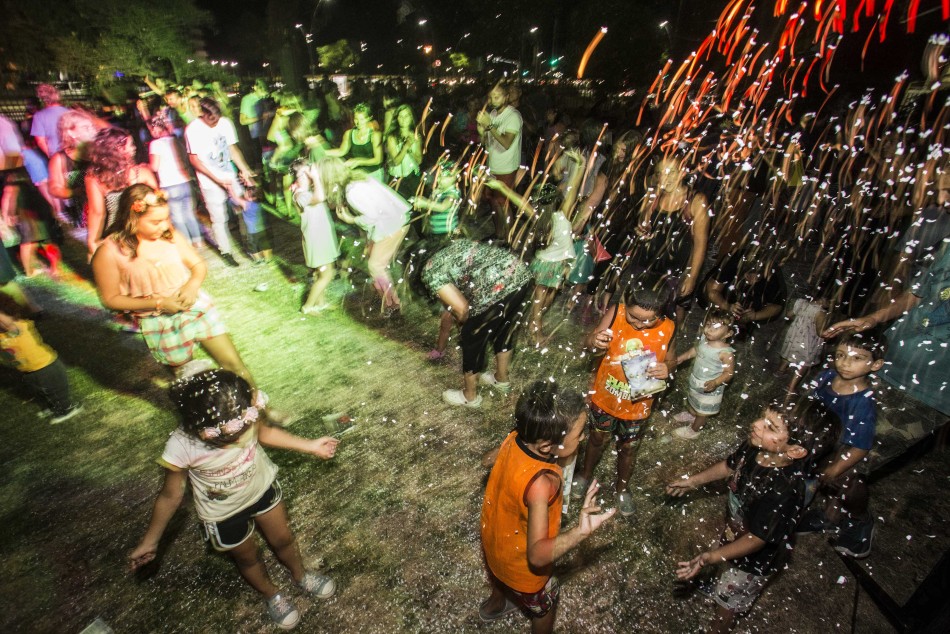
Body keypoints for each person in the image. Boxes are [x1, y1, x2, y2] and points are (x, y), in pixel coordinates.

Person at [129, 369, 338, 630]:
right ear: (197, 428)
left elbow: (264, 433)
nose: (241, 438)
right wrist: (150, 541)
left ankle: (301, 574)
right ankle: (271, 593)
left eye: (244, 426)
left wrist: (309, 445)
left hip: (261, 490)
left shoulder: (243, 409)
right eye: (228, 437)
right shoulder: (181, 446)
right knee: (247, 558)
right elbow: (171, 495)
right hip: (222, 514)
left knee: (284, 538)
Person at [667, 403, 837, 634]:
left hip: (752, 563)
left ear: (795, 451)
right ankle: (720, 579)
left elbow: (757, 539)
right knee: (726, 566)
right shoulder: (755, 448)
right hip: (737, 531)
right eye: (761, 418)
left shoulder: (784, 492)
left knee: (727, 603)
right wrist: (694, 481)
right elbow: (728, 466)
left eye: (770, 427)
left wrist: (711, 557)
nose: (756, 425)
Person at [479, 381, 615, 633]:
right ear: (546, 446)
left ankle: (495, 605)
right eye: (579, 433)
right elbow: (538, 555)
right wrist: (580, 532)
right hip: (523, 568)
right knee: (546, 605)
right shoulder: (542, 483)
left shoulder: (514, 438)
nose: (584, 437)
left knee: (498, 574)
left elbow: (488, 459)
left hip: (494, 540)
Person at [91, 184, 255, 385]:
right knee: (190, 381)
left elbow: (197, 264)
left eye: (166, 219)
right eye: (156, 222)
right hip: (159, 323)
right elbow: (111, 299)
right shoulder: (109, 252)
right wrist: (159, 303)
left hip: (195, 308)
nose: (165, 226)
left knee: (234, 366)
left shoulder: (170, 236)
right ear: (132, 218)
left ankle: (261, 410)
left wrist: (192, 285)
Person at [821, 244, 949, 468]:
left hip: (926, 394)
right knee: (825, 439)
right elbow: (916, 294)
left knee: (853, 465)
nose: (940, 206)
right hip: (882, 366)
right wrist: (873, 319)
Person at [572, 273, 677, 516]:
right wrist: (594, 341)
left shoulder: (669, 328)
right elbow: (588, 341)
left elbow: (671, 359)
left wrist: (667, 368)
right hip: (605, 397)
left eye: (648, 321)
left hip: (638, 405)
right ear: (625, 305)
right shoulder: (615, 313)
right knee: (597, 438)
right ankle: (584, 474)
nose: (640, 325)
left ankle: (622, 488)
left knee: (629, 448)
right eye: (634, 317)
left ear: (661, 313)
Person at [798, 332, 886, 558]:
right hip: (822, 442)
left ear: (875, 364)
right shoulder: (828, 376)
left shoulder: (863, 403)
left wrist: (835, 468)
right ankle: (829, 518)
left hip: (846, 450)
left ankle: (860, 520)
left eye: (857, 358)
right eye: (840, 355)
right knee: (823, 483)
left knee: (845, 485)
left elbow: (861, 446)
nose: (845, 363)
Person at [485, 149, 584, 345]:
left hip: (549, 264)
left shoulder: (539, 216)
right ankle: (535, 332)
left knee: (544, 300)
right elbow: (573, 187)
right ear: (558, 200)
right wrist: (580, 166)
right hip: (551, 265)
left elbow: (518, 199)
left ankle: (533, 323)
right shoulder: (562, 213)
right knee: (541, 301)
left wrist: (501, 186)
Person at [422, 239, 534, 407]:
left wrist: (466, 327)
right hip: (520, 276)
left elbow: (463, 310)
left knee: (472, 338)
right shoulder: (454, 246)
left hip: (496, 288)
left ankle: (470, 396)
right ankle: (501, 379)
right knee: (504, 329)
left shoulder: (429, 271)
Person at [316, 157, 410, 314]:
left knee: (375, 265)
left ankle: (391, 305)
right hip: (393, 220)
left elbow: (371, 217)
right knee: (372, 260)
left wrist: (350, 219)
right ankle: (385, 299)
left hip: (392, 224)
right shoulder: (356, 179)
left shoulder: (352, 191)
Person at [185, 97, 256, 267]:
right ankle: (226, 251)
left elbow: (232, 149)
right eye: (211, 121)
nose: (214, 124)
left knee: (242, 210)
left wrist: (244, 169)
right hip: (210, 182)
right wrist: (217, 180)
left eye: (216, 120)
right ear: (203, 114)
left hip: (230, 176)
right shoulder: (193, 129)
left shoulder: (225, 123)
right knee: (219, 218)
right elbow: (194, 160)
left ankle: (249, 245)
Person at [85, 127, 159, 258]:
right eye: (130, 145)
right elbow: (159, 203)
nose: (134, 148)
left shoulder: (94, 178)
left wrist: (92, 240)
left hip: (116, 234)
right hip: (142, 230)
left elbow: (97, 213)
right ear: (118, 149)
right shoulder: (142, 173)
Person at [0, 309, 82, 424]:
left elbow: (7, 322)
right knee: (43, 391)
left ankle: (67, 409)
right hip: (29, 370)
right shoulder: (2, 334)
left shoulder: (18, 326)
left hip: (45, 367)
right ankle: (55, 406)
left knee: (55, 391)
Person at [672, 308, 737, 440]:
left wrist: (716, 382)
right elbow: (695, 350)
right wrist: (682, 358)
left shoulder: (725, 353)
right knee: (693, 401)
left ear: (727, 334)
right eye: (708, 325)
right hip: (697, 381)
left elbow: (729, 373)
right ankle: (692, 415)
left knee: (703, 412)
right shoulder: (704, 340)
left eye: (716, 327)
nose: (710, 329)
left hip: (710, 387)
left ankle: (694, 430)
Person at [704, 250, 787, 340]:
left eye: (758, 278)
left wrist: (755, 316)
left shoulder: (771, 275)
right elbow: (712, 292)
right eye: (750, 277)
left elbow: (776, 307)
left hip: (752, 308)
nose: (753, 281)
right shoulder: (732, 264)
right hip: (725, 294)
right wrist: (727, 306)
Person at [477, 83, 523, 242]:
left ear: (507, 97)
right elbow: (487, 143)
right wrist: (481, 132)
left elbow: (506, 143)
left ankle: (510, 239)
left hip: (506, 167)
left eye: (496, 96)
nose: (492, 100)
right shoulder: (494, 114)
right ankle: (499, 234)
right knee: (493, 202)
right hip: (493, 166)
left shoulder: (513, 116)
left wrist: (489, 126)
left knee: (503, 204)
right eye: (490, 97)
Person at [148, 114, 203, 247]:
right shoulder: (177, 140)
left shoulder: (155, 144)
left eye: (151, 129)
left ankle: (187, 243)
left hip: (170, 184)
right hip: (185, 180)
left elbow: (154, 166)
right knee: (189, 213)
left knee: (177, 217)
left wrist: (145, 166)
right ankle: (198, 240)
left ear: (155, 129)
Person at [292, 160, 339, 315]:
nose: (308, 176)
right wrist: (317, 179)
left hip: (322, 237)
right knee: (327, 274)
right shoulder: (299, 195)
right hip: (316, 240)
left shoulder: (309, 191)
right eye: (303, 174)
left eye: (309, 172)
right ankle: (308, 306)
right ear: (296, 177)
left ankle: (321, 303)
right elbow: (319, 198)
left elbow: (325, 200)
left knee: (322, 272)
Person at [775, 286, 830, 399]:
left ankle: (780, 370)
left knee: (788, 354)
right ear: (823, 300)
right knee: (804, 364)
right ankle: (791, 386)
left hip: (793, 337)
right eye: (829, 302)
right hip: (807, 342)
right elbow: (820, 332)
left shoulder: (801, 303)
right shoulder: (820, 313)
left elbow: (788, 315)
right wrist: (830, 331)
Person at [49, 109, 99, 228]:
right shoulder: (60, 159)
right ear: (71, 133)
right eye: (86, 128)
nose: (92, 131)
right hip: (83, 213)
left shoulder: (99, 151)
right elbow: (54, 188)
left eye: (92, 127)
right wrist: (77, 191)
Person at [326, 103, 384, 182]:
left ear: (369, 118)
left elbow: (378, 160)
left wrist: (358, 161)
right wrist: (322, 151)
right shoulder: (349, 133)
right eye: (356, 119)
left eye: (362, 119)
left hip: (373, 174)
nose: (358, 122)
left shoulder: (375, 135)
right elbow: (341, 151)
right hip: (357, 174)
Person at [385, 104, 423, 199]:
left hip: (412, 177)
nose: (403, 119)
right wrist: (405, 147)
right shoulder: (392, 137)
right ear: (397, 118)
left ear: (411, 118)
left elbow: (419, 161)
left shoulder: (416, 136)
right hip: (396, 178)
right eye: (401, 116)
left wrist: (410, 150)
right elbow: (396, 161)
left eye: (406, 116)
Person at [30, 84, 69, 157]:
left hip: (55, 154)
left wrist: (50, 156)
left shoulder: (39, 116)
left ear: (42, 99)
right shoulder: (69, 112)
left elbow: (40, 141)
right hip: (71, 153)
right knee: (75, 169)